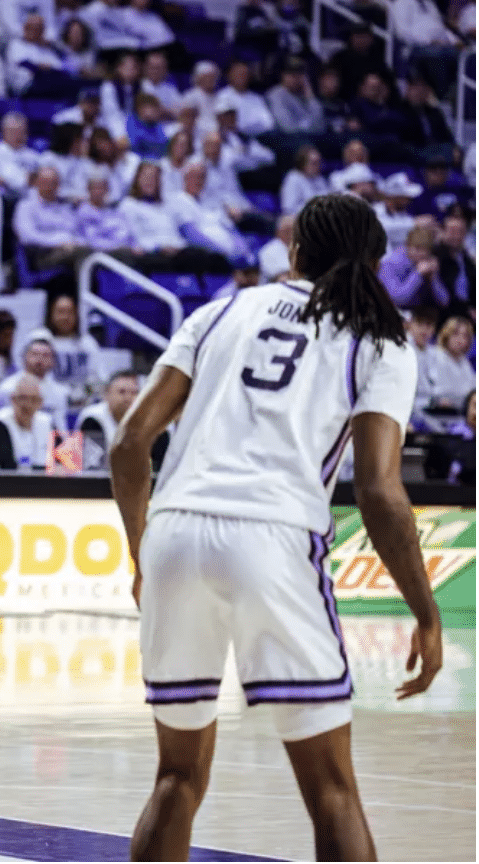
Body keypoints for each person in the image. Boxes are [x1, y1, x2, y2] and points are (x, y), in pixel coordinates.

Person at [109, 191, 440, 861]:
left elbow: (128, 444)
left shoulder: (219, 310)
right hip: (274, 536)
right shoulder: (380, 342)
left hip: (175, 530)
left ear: (292, 252)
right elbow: (378, 491)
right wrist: (426, 613)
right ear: (374, 267)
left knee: (175, 779)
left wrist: (142, 554)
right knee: (333, 793)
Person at [0, 372, 53, 471]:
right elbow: (9, 469)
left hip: (38, 484)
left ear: (40, 403)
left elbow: (67, 463)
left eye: (34, 399)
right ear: (12, 399)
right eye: (23, 398)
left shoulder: (47, 422)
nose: (27, 405)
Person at [0, 338, 68, 432]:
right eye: (35, 354)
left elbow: (60, 426)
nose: (40, 359)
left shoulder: (60, 392)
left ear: (53, 361)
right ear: (24, 357)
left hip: (46, 440)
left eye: (45, 355)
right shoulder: (7, 388)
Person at [77, 370, 140, 470]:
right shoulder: (93, 418)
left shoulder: (145, 419)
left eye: (134, 393)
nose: (128, 398)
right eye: (121, 392)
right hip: (99, 481)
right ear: (107, 394)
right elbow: (92, 466)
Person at [427, 316, 475, 410]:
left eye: (464, 336)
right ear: (447, 334)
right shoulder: (435, 354)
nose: (460, 340)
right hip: (439, 410)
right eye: (455, 334)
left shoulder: (465, 362)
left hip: (460, 410)